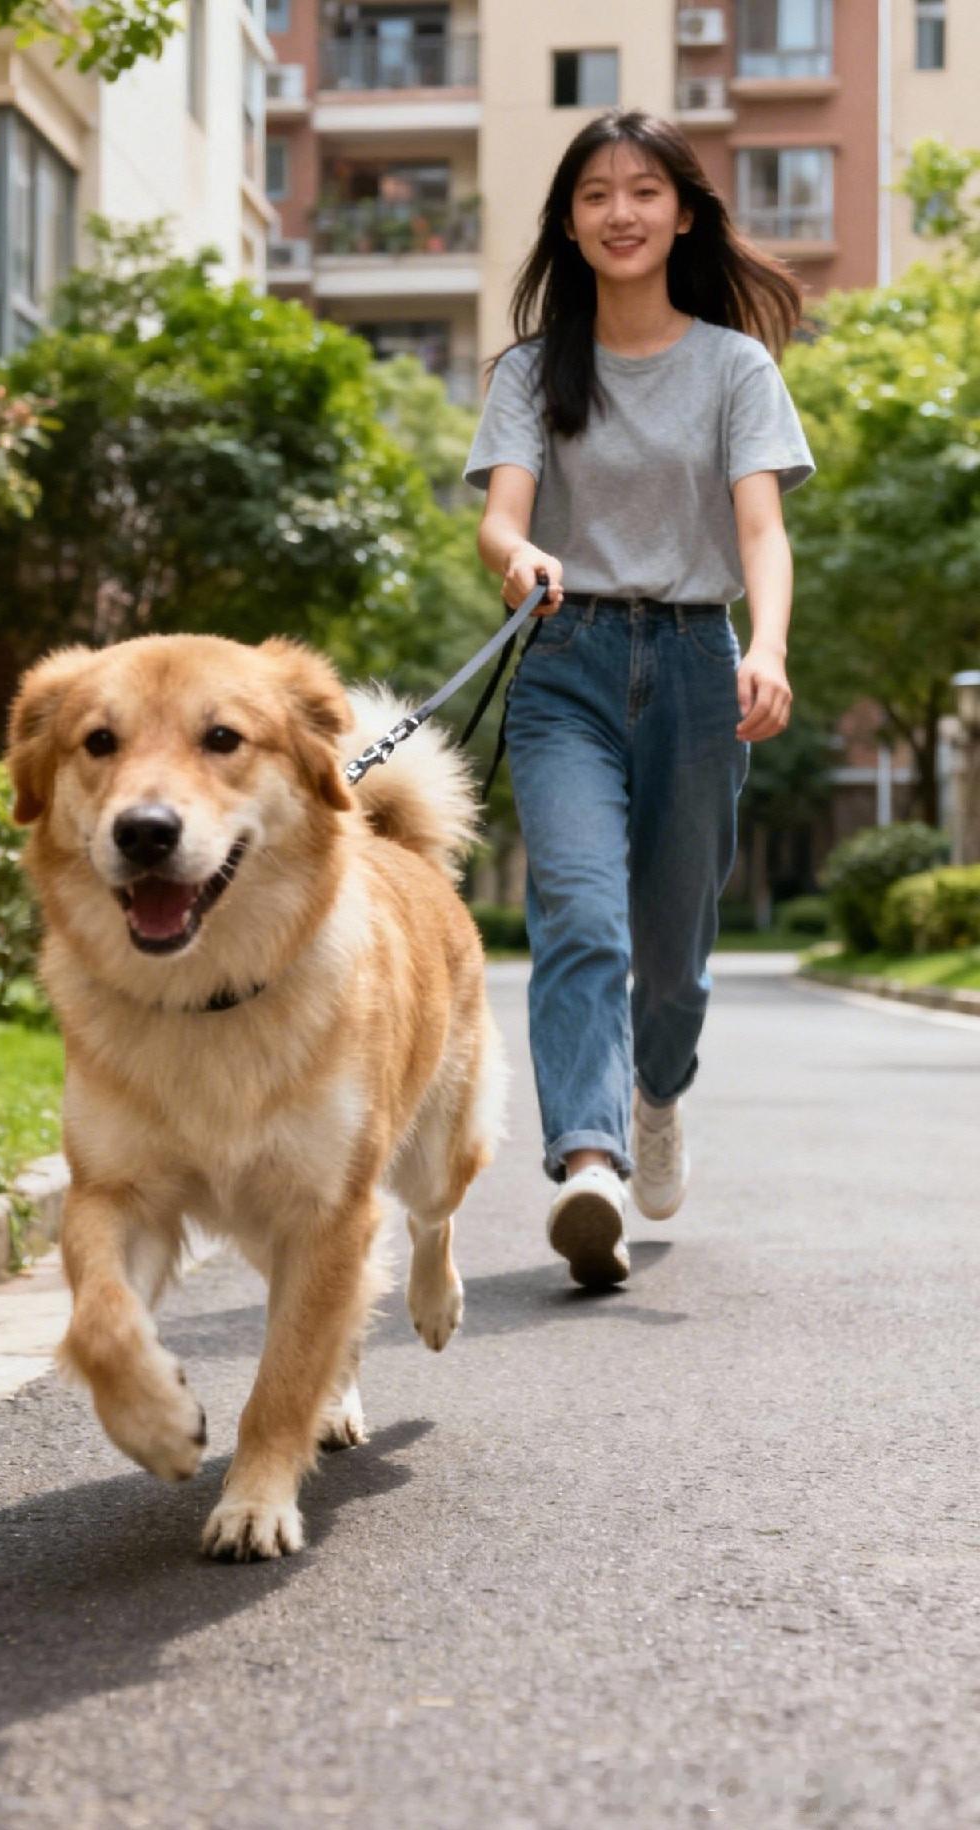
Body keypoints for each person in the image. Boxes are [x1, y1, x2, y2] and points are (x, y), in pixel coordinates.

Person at [464, 107, 815, 1289]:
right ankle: (589, 1162)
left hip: (700, 672)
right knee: (579, 916)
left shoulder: (733, 366)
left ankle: (658, 1093)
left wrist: (766, 646)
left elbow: (759, 526)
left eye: (644, 192)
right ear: (568, 222)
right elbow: (502, 514)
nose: (621, 213)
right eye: (596, 195)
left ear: (682, 212)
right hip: (564, 668)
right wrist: (519, 557)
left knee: (673, 958)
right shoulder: (530, 369)